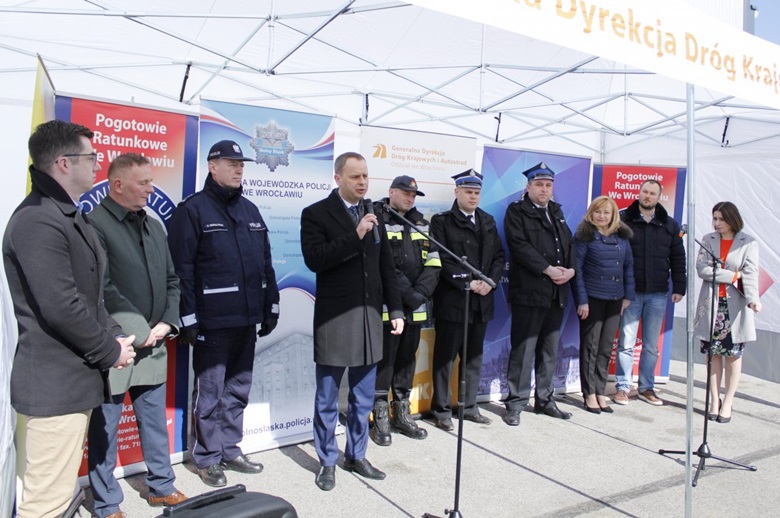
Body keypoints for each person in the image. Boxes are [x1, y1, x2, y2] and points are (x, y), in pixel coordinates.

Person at [2, 120, 136, 517]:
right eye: (91, 156)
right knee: (46, 504)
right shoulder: (38, 219)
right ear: (63, 162)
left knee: (58, 497)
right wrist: (109, 351)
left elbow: (91, 295)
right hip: (53, 389)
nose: (99, 164)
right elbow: (61, 306)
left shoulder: (67, 215)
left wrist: (116, 335)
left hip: (72, 384)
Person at [168, 140, 280, 487]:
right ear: (212, 166)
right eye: (231, 163)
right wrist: (187, 318)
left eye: (241, 164)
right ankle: (206, 457)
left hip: (246, 319)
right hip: (212, 322)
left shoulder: (250, 210)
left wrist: (271, 305)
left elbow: (265, 263)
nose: (238, 169)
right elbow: (181, 269)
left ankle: (230, 449)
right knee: (210, 391)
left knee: (238, 389)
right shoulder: (193, 210)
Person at [87, 153, 186, 517]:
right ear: (117, 185)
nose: (150, 189)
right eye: (143, 182)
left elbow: (172, 280)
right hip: (117, 345)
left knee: (154, 422)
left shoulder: (154, 226)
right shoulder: (94, 225)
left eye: (151, 181)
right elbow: (103, 287)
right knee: (105, 429)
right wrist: (140, 331)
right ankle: (105, 502)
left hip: (154, 343)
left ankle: (162, 486)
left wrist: (167, 323)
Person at [300, 152, 404, 491]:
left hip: (370, 320)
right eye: (355, 177)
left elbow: (386, 267)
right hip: (335, 320)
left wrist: (397, 310)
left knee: (362, 399)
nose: (362, 182)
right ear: (338, 178)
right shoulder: (315, 214)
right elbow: (316, 259)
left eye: (365, 176)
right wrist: (355, 234)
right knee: (328, 399)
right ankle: (327, 461)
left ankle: (356, 455)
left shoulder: (374, 214)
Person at [429, 169, 505, 430]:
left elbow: (498, 256)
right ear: (457, 192)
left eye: (476, 193)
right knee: (445, 358)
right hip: (453, 300)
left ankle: (469, 406)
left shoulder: (487, 220)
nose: (473, 197)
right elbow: (440, 257)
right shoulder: (442, 222)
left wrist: (489, 283)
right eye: (468, 192)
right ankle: (440, 411)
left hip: (481, 301)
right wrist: (467, 282)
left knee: (473, 357)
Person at [503, 162, 576, 427]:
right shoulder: (517, 211)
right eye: (539, 185)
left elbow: (569, 244)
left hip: (557, 292)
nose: (544, 189)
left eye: (548, 185)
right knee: (523, 350)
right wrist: (547, 269)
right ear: (529, 187)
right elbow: (519, 246)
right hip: (529, 292)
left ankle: (545, 400)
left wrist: (571, 270)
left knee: (549, 349)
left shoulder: (556, 211)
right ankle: (515, 404)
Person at [370, 175, 440, 447]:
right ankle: (380, 417)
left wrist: (420, 294)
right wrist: (410, 294)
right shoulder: (378, 218)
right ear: (391, 192)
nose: (410, 198)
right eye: (405, 193)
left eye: (413, 194)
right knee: (384, 363)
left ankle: (402, 414)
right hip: (390, 307)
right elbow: (383, 266)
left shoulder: (422, 223)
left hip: (416, 308)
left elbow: (434, 262)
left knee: (407, 362)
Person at [615, 180, 686, 406]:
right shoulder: (623, 219)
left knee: (651, 345)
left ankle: (647, 388)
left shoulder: (670, 224)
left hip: (658, 293)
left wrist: (680, 286)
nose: (647, 196)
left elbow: (678, 258)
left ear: (659, 197)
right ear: (639, 193)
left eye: (652, 193)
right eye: (645, 191)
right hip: (631, 293)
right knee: (626, 342)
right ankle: (623, 387)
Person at [693, 201, 761, 424]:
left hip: (736, 306)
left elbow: (750, 274)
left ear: (732, 219)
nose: (717, 223)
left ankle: (728, 401)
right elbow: (703, 270)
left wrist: (753, 300)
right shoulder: (707, 239)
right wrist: (733, 275)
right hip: (712, 304)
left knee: (732, 356)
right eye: (715, 218)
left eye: (721, 219)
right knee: (713, 356)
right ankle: (714, 399)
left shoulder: (748, 242)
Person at [572, 196, 635, 415]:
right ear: (591, 213)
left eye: (606, 212)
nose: (602, 216)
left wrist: (628, 296)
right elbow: (577, 270)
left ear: (613, 215)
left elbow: (628, 268)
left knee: (606, 348)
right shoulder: (584, 237)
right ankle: (589, 393)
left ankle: (600, 391)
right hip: (592, 299)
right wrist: (582, 300)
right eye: (598, 212)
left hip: (615, 299)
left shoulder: (622, 237)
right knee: (590, 347)